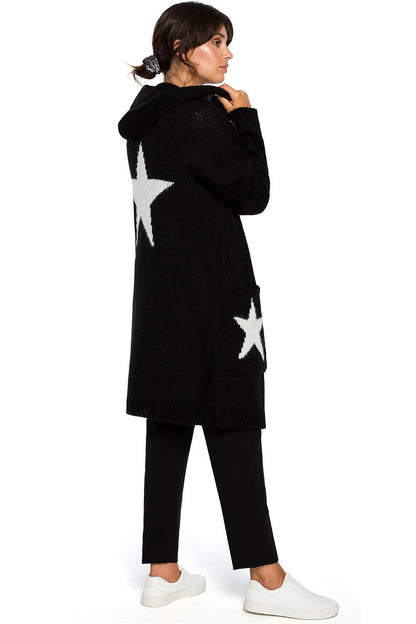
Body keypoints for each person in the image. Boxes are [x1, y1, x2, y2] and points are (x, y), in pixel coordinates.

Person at [118, 1, 339, 618]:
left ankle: (162, 572)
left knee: (169, 420)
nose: (228, 52)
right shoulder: (202, 115)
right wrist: (246, 119)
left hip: (161, 298)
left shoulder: (147, 117)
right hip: (215, 295)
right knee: (234, 418)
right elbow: (253, 193)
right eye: (216, 41)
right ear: (182, 48)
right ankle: (267, 579)